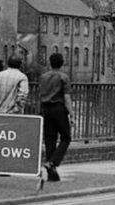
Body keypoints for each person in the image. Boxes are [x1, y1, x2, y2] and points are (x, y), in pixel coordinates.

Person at [39, 52, 73, 182]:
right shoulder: (63, 77)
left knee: (50, 139)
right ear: (62, 63)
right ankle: (53, 162)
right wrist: (71, 113)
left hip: (46, 109)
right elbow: (66, 97)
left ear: (50, 62)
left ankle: (52, 174)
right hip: (58, 108)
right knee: (66, 137)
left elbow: (39, 95)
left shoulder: (43, 77)